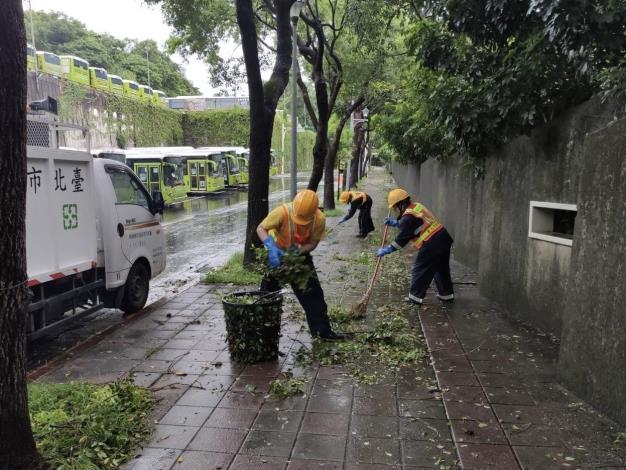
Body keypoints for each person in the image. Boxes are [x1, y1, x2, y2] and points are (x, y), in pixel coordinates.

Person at [257, 189, 344, 340]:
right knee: (268, 295)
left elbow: (313, 243)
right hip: (276, 257)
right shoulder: (282, 211)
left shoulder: (319, 219)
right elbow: (261, 228)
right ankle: (264, 333)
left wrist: (299, 251)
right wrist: (271, 247)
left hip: (300, 260)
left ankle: (322, 333)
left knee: (313, 294)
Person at [376, 188, 454, 305]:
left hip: (432, 243)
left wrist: (386, 250)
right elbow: (415, 223)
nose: (395, 210)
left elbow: (400, 241)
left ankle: (415, 298)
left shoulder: (407, 218)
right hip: (443, 237)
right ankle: (446, 295)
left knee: (420, 269)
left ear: (400, 204)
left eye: (395, 207)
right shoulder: (415, 206)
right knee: (440, 268)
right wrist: (396, 223)